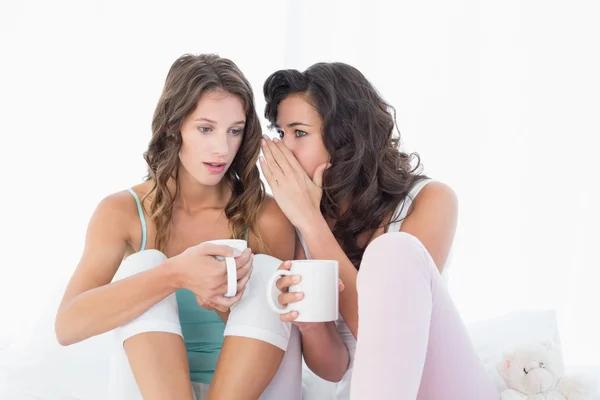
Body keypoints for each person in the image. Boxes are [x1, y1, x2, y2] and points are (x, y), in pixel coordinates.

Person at [54, 53, 302, 400]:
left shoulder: (266, 216)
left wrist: (223, 305)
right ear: (174, 127)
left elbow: (273, 329)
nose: (222, 148)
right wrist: (176, 275)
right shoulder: (123, 212)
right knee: (145, 265)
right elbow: (67, 326)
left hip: (247, 393)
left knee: (265, 271)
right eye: (205, 129)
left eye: (235, 131)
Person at [259, 62, 499, 399]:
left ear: (345, 136)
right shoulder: (297, 220)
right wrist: (309, 323)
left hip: (436, 385)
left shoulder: (429, 201)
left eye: (299, 133)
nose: (285, 148)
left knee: (392, 250)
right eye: (281, 133)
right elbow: (335, 367)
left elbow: (384, 333)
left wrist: (310, 223)